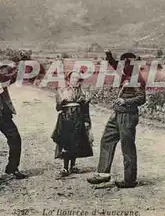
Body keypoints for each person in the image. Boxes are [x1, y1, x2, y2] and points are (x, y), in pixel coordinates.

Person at [87, 50, 146, 188]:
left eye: (126, 63)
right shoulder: (127, 74)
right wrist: (109, 57)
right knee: (107, 139)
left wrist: (126, 101)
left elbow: (142, 98)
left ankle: (130, 180)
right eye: (123, 62)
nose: (123, 65)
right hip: (118, 113)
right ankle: (103, 174)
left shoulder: (136, 78)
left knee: (127, 147)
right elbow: (115, 66)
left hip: (128, 115)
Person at [51, 71, 94, 177]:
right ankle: (65, 167)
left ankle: (73, 166)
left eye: (78, 78)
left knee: (76, 141)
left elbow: (85, 109)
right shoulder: (62, 91)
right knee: (66, 142)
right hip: (66, 119)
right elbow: (58, 108)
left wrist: (86, 121)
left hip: (78, 119)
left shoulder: (84, 92)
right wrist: (62, 102)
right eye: (73, 78)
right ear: (69, 79)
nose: (75, 80)